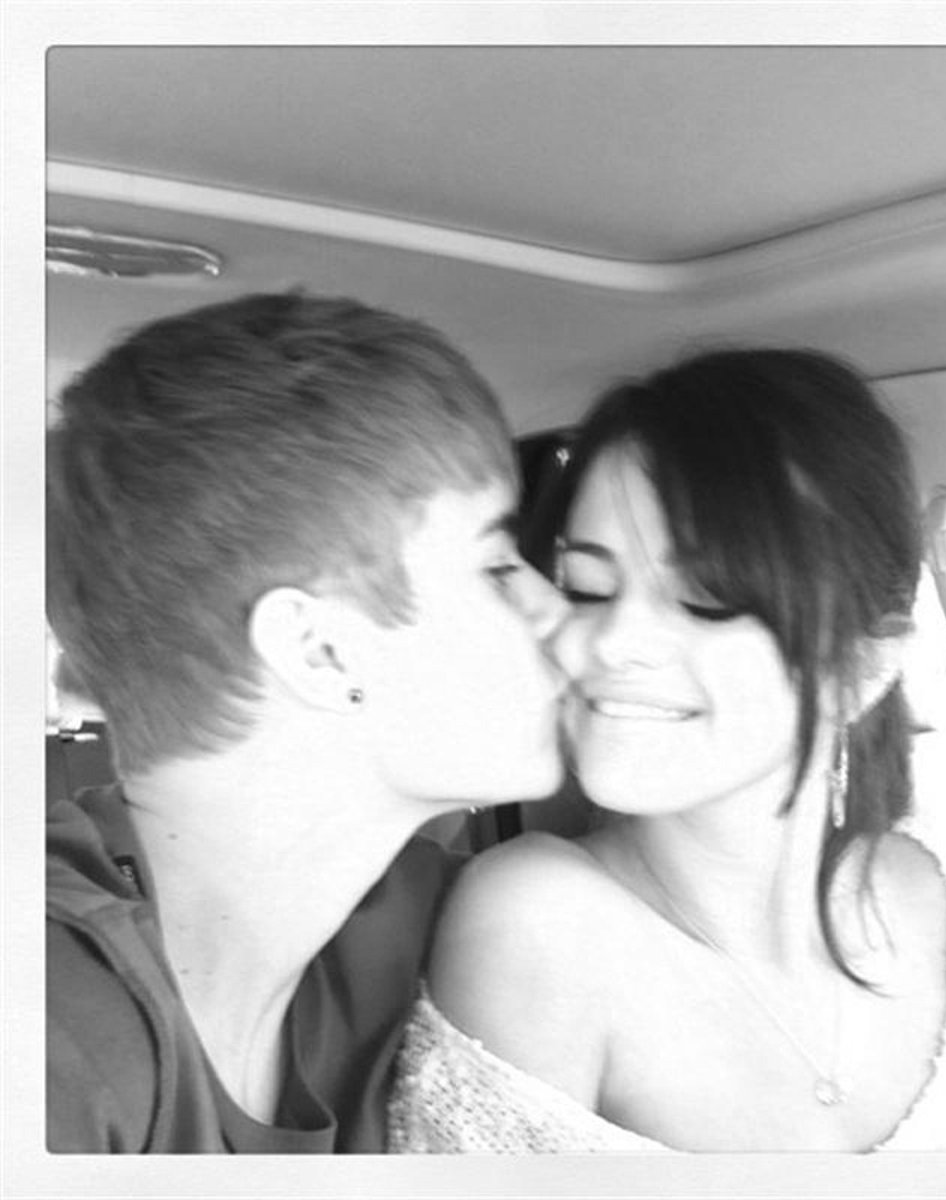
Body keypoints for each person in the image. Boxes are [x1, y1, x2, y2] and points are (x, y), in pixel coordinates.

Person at [391, 347, 946, 1152]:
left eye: (705, 599)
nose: (609, 642)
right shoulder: (538, 923)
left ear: (862, 666)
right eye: (587, 587)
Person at [45, 290, 566, 1151]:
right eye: (498, 566)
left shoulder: (418, 928)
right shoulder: (47, 1036)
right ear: (319, 652)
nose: (557, 611)